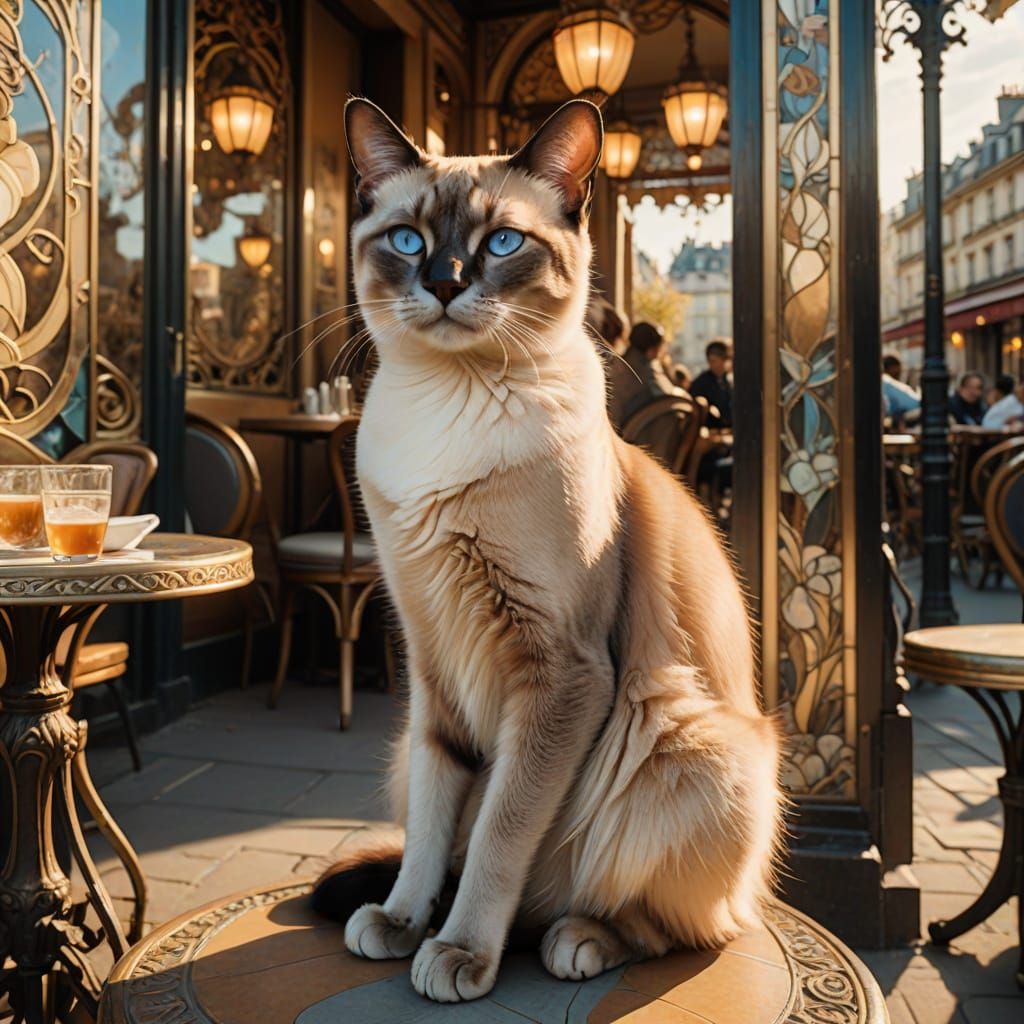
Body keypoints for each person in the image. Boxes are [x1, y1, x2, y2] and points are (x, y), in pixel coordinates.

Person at [689, 338, 734, 428]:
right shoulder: (701, 383)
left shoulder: (731, 379)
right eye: (710, 361)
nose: (712, 365)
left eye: (715, 361)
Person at [882, 353, 921, 426]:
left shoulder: (887, 382)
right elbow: (913, 403)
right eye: (899, 370)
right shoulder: (887, 382)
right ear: (892, 368)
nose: (900, 373)